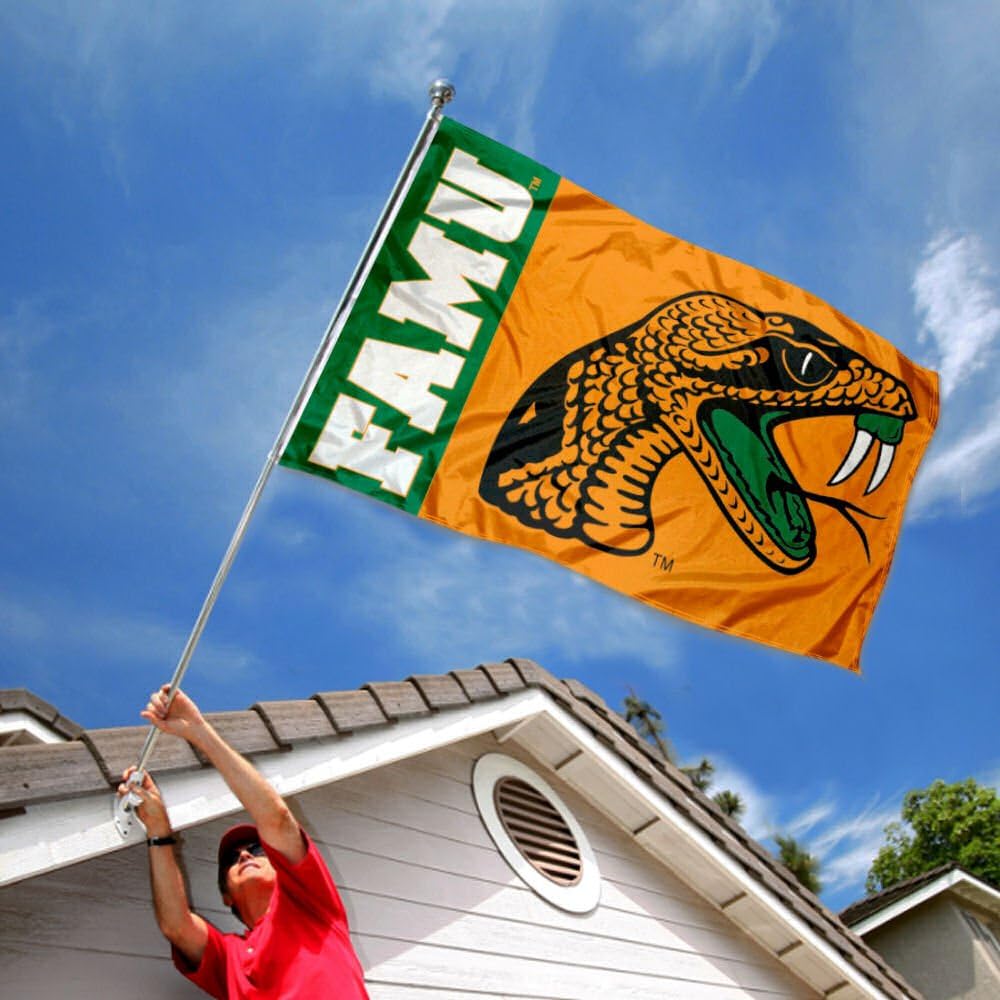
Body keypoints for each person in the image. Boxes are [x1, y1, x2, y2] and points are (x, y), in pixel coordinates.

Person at [117, 684, 369, 999]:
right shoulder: (228, 956)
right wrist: (157, 828)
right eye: (231, 860)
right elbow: (176, 926)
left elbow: (276, 818)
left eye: (256, 849)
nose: (244, 856)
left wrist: (199, 731)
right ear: (226, 897)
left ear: (282, 870)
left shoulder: (311, 905)